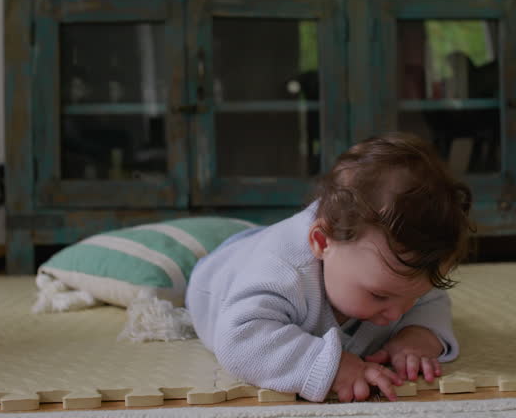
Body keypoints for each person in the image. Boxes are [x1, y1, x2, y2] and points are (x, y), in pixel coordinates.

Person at [186, 132, 473, 403]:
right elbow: (240, 340)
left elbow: (431, 298)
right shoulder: (283, 273)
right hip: (220, 271)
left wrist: (419, 334)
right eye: (379, 296)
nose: (397, 313)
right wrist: (332, 366)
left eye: (412, 298)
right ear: (322, 242)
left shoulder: (387, 272)